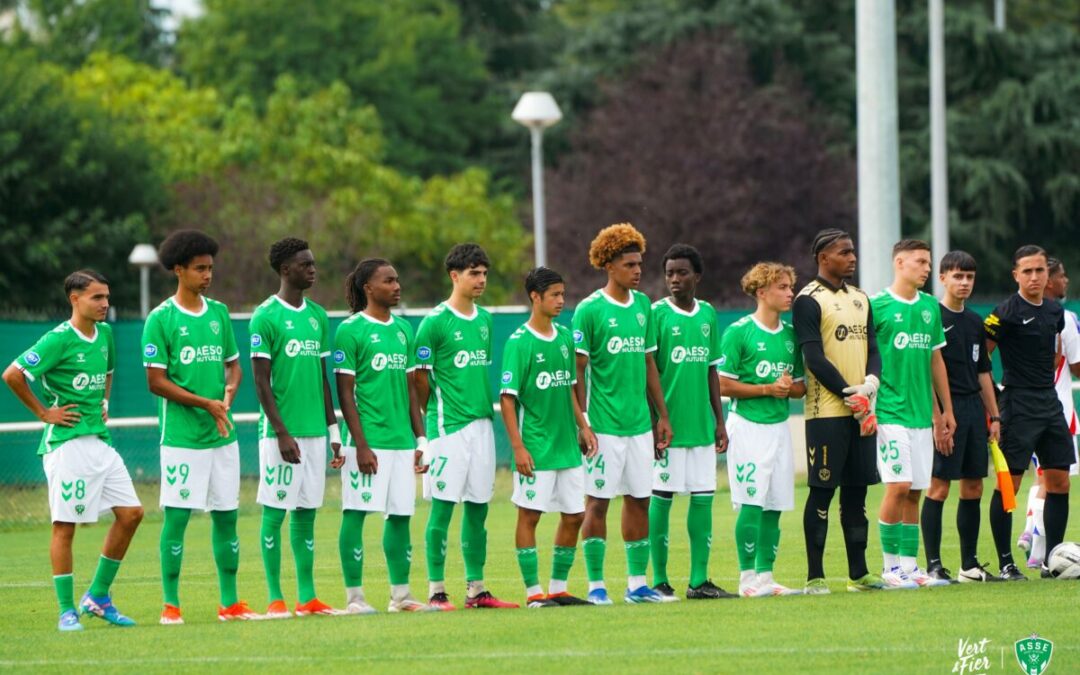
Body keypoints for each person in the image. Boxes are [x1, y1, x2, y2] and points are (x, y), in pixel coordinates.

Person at [3, 270, 144, 631]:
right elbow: (13, 374)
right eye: (97, 297)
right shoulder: (58, 340)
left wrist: (106, 401)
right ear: (75, 299)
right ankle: (66, 610)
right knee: (65, 526)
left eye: (107, 297)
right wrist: (43, 412)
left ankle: (97, 597)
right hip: (66, 444)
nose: (105, 304)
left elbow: (108, 372)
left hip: (99, 440)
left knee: (131, 513)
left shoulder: (107, 334)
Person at [142, 229, 255, 623]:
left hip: (221, 437)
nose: (207, 275)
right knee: (178, 519)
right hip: (182, 439)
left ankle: (230, 603)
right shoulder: (161, 319)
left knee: (227, 517)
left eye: (210, 268)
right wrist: (204, 403)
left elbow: (234, 366)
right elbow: (155, 382)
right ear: (178, 270)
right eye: (199, 269)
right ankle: (170, 605)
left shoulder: (219, 313)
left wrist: (228, 393)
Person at [572, 222, 673, 605]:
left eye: (639, 263)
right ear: (609, 265)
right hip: (603, 425)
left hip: (638, 426)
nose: (638, 271)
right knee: (597, 502)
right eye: (630, 264)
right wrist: (583, 422)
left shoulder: (644, 306)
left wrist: (661, 416)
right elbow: (577, 371)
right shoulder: (589, 310)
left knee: (640, 499)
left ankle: (637, 585)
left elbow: (649, 364)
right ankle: (596, 586)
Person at [415, 244, 517, 610]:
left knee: (479, 507)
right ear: (454, 275)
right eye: (474, 273)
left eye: (485, 273)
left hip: (481, 427)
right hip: (448, 429)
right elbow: (419, 383)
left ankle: (477, 590)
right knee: (443, 508)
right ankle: (436, 591)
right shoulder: (434, 323)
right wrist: (425, 436)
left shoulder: (486, 320)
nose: (481, 279)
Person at [249, 238, 340, 618]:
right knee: (275, 511)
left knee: (306, 513)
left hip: (316, 433)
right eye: (306, 265)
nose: (313, 270)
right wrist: (281, 432)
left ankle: (308, 597)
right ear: (286, 270)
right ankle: (275, 598)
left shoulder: (318, 316)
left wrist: (333, 431)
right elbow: (261, 381)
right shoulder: (265, 316)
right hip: (279, 435)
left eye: (314, 264)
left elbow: (322, 377)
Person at [792, 229, 886, 594]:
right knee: (822, 492)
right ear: (823, 258)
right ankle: (815, 576)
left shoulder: (861, 298)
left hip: (862, 410)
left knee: (857, 494)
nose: (852, 257)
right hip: (827, 413)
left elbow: (874, 348)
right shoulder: (807, 300)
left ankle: (858, 573)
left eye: (853, 251)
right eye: (844, 252)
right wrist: (850, 394)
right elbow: (813, 357)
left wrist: (871, 386)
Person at [335, 258, 431, 612]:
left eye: (398, 279)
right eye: (388, 280)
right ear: (368, 288)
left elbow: (409, 390)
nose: (396, 285)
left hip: (402, 442)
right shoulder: (350, 330)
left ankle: (401, 596)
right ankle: (355, 598)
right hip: (368, 441)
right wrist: (360, 444)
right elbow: (346, 392)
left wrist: (421, 439)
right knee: (356, 513)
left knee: (401, 516)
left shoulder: (404, 329)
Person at [501, 267, 598, 608]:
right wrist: (518, 447)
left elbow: (570, 388)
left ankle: (558, 588)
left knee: (575, 515)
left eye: (562, 294)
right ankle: (533, 594)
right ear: (535, 297)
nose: (561, 301)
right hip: (537, 447)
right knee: (530, 515)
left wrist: (583, 425)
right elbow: (508, 398)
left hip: (567, 446)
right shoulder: (519, 343)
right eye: (554, 295)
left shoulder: (564, 338)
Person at [648, 244, 735, 601]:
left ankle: (699, 581)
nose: (674, 280)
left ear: (696, 277)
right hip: (668, 429)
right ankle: (659, 580)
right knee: (662, 497)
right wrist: (656, 420)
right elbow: (647, 370)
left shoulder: (708, 314)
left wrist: (720, 421)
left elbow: (712, 369)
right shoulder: (655, 314)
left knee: (702, 499)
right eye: (669, 273)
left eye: (681, 273)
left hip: (701, 427)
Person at [984, 245, 1073, 581]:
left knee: (1059, 482)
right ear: (1016, 275)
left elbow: (1054, 354)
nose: (1034, 276)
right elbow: (982, 358)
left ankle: (1055, 560)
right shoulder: (1003, 313)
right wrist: (992, 404)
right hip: (1017, 404)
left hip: (1049, 403)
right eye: (1027, 271)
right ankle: (1007, 562)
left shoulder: (1054, 312)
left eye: (1040, 270)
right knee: (1010, 485)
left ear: (1047, 274)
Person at [870, 240, 954, 589]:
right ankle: (890, 569)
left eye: (928, 263)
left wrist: (944, 411)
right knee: (898, 486)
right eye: (920, 261)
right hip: (889, 413)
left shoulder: (930, 307)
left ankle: (910, 566)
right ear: (899, 263)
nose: (926, 268)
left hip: (922, 415)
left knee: (916, 490)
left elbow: (935, 359)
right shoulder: (876, 306)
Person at [718, 262, 806, 597]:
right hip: (748, 428)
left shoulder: (790, 336)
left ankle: (767, 578)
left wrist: (785, 388)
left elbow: (799, 387)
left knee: (774, 505)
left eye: (790, 287)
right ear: (761, 292)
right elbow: (723, 384)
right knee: (751, 502)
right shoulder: (739, 332)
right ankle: (747, 579)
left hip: (779, 428)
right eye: (782, 287)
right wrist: (766, 389)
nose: (789, 293)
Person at [919, 251, 1002, 583]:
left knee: (973, 487)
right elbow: (925, 372)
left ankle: (969, 565)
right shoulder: (931, 316)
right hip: (944, 410)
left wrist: (994, 417)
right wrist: (938, 418)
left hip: (972, 411)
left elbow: (983, 371)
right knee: (938, 488)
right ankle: (934, 565)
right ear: (942, 278)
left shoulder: (974, 321)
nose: (964, 282)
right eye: (957, 276)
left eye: (969, 277)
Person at [1011, 256, 1080, 569]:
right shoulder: (1064, 318)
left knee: (1041, 478)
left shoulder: (1020, 314)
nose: (1065, 281)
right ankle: (1032, 535)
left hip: (1027, 408)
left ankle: (1037, 551)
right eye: (1062, 276)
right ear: (1049, 281)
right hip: (1057, 411)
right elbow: (1077, 366)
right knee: (1052, 482)